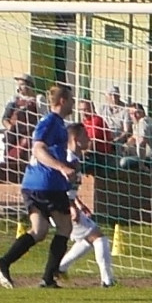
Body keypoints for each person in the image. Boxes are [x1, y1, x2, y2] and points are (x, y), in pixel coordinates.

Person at [0, 83, 77, 289]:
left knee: (39, 231)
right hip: (47, 184)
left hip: (33, 184)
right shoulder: (49, 121)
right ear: (63, 101)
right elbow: (38, 149)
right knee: (65, 227)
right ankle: (48, 278)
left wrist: (68, 164)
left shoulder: (57, 124)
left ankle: (4, 262)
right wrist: (62, 168)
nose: (73, 103)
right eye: (71, 100)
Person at [54, 123, 115, 287]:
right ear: (75, 139)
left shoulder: (73, 158)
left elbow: (70, 189)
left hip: (66, 206)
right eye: (86, 135)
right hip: (62, 207)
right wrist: (72, 207)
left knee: (87, 241)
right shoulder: (68, 160)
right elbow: (60, 188)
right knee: (99, 238)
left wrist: (79, 204)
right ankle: (107, 280)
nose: (89, 138)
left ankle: (59, 268)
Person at [1, 74, 40, 166]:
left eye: (22, 84)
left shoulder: (37, 100)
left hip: (29, 132)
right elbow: (5, 118)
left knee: (26, 145)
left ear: (30, 85)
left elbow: (42, 118)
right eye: (18, 84)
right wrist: (10, 127)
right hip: (14, 133)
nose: (19, 87)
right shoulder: (14, 100)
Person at [118, 103, 152, 169]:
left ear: (143, 113)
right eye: (131, 114)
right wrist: (126, 146)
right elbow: (134, 137)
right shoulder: (137, 125)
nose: (134, 116)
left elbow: (142, 143)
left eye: (137, 113)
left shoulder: (144, 121)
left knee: (124, 162)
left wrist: (141, 164)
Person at [78, 98, 115, 172]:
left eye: (86, 110)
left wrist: (79, 153)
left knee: (78, 166)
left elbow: (91, 143)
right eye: (81, 110)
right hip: (90, 154)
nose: (83, 112)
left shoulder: (96, 120)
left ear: (93, 109)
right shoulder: (84, 123)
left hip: (101, 157)